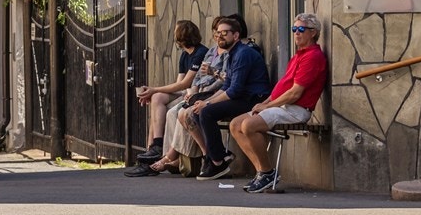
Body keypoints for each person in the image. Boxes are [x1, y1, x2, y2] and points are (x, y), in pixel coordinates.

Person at [229, 11, 328, 194]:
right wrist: (264, 103)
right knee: (235, 125)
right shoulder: (298, 55)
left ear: (313, 32)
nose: (296, 33)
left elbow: (294, 94)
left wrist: (267, 107)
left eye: (301, 29)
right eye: (294, 29)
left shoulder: (313, 56)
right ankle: (262, 172)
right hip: (282, 106)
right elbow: (280, 90)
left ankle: (267, 172)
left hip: (296, 109)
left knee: (249, 125)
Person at [183, 15, 271, 179]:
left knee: (207, 112)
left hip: (254, 99)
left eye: (225, 33)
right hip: (242, 97)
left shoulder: (243, 53)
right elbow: (226, 86)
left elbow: (234, 90)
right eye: (218, 33)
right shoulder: (233, 54)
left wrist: (207, 104)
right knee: (199, 110)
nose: (220, 36)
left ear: (236, 35)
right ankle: (217, 156)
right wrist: (205, 101)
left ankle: (217, 161)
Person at [131, 21, 210, 166]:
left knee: (165, 105)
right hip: (185, 92)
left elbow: (185, 83)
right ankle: (155, 145)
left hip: (195, 93)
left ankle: (163, 153)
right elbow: (179, 84)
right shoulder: (185, 55)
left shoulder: (200, 53)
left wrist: (154, 88)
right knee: (157, 98)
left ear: (181, 36)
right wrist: (153, 92)